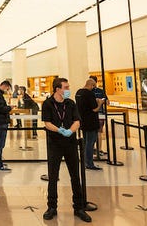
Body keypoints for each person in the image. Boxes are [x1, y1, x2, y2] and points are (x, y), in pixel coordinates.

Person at [42, 77, 91, 223]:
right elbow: (47, 123)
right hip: (55, 144)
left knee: (75, 176)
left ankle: (79, 207)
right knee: (53, 176)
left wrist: (70, 131)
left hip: (70, 144)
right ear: (58, 89)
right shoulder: (48, 104)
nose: (68, 90)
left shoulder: (71, 103)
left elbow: (77, 120)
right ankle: (52, 207)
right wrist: (59, 130)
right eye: (66, 87)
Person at [75, 79, 103, 171]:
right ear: (92, 85)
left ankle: (84, 161)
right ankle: (89, 163)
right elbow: (95, 109)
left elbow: (84, 105)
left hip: (83, 121)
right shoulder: (89, 94)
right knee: (90, 142)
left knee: (86, 141)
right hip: (91, 122)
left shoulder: (78, 93)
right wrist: (100, 103)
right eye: (94, 86)